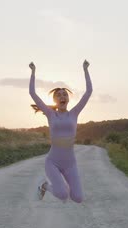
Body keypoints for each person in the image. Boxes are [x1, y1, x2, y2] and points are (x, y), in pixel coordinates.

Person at [29, 60, 93, 203]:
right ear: (55, 100)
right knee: (63, 194)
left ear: (68, 99)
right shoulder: (50, 114)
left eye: (65, 94)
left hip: (71, 164)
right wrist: (33, 72)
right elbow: (32, 93)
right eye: (59, 95)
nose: (62, 96)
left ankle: (56, 187)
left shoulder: (74, 113)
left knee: (78, 198)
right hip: (52, 162)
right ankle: (44, 186)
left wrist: (85, 70)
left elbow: (88, 92)